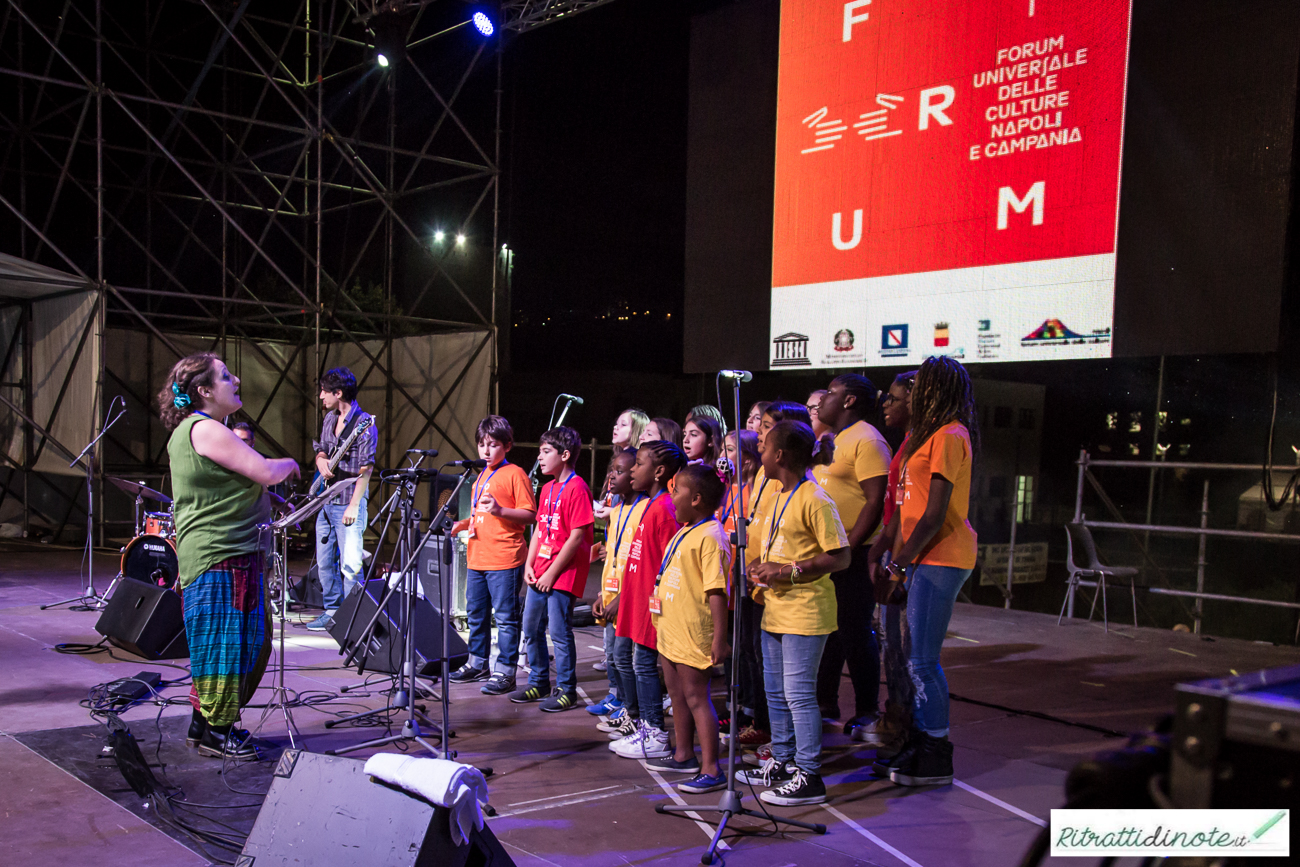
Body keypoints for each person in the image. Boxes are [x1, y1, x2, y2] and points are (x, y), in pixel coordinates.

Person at [158, 353, 299, 760]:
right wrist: (290, 464)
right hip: (222, 555)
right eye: (225, 376)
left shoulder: (198, 431)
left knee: (231, 643)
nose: (235, 379)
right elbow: (266, 470)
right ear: (204, 391)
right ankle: (217, 733)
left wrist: (264, 497)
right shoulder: (206, 429)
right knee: (235, 645)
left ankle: (203, 725)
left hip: (226, 554)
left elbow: (222, 486)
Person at [868, 356, 978, 787]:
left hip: (941, 555)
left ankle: (937, 752)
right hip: (921, 556)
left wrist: (899, 562)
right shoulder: (928, 436)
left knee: (923, 661)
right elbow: (908, 510)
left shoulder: (951, 436)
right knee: (915, 659)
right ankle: (921, 739)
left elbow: (934, 516)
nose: (916, 394)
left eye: (924, 385)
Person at [737, 420, 849, 807]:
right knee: (775, 693)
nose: (760, 453)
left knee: (799, 695)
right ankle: (782, 761)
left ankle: (809, 774)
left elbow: (841, 555)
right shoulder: (773, 493)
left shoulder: (815, 498)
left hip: (806, 611)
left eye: (764, 446)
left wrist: (786, 571)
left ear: (780, 455)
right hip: (774, 608)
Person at [814, 374, 891, 733]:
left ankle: (867, 711)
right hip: (828, 552)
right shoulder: (829, 440)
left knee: (855, 631)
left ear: (848, 401)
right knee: (830, 630)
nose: (822, 400)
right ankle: (825, 701)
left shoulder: (868, 439)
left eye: (830, 393)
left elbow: (876, 501)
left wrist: (850, 546)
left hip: (854, 553)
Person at [650, 464, 732, 794]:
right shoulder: (686, 529)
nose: (671, 496)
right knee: (677, 695)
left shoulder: (712, 536)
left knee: (698, 698)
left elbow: (717, 591)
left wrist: (720, 638)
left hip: (694, 632)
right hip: (671, 629)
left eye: (677, 490)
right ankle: (683, 754)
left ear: (696, 498)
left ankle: (711, 768)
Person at [450, 416, 537, 696]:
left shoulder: (515, 474)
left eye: (493, 445)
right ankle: (477, 663)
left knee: (505, 618)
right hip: (478, 557)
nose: (486, 450)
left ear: (507, 445)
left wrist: (500, 510)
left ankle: (506, 671)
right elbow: (480, 515)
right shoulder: (480, 477)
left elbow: (528, 514)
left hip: (504, 558)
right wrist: (461, 524)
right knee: (476, 614)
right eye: (482, 445)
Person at [611, 440, 686, 759]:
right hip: (637, 602)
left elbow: (670, 564)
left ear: (658, 471)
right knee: (634, 662)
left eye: (639, 464)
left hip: (652, 607)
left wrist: (657, 605)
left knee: (644, 666)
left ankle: (655, 732)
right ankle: (645, 725)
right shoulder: (651, 505)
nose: (633, 471)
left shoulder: (666, 509)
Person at [512, 426, 594, 712]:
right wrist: (529, 564)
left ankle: (567, 689)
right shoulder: (547, 488)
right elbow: (538, 531)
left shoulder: (577, 487)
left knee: (559, 631)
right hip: (541, 570)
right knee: (530, 626)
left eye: (546, 452)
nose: (540, 457)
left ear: (565, 454)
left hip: (562, 573)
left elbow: (576, 536)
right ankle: (538, 681)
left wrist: (551, 573)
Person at [861, 370, 918, 751]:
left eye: (893, 399)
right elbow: (897, 510)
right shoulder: (908, 443)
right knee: (893, 647)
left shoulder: (927, 443)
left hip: (912, 560)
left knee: (908, 651)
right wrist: (878, 548)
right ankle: (895, 721)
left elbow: (923, 514)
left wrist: (896, 563)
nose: (885, 404)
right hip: (896, 554)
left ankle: (906, 731)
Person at [305, 368, 378, 632]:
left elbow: (365, 470)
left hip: (348, 500)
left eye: (325, 391)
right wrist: (321, 459)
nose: (321, 395)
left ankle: (352, 619)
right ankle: (332, 611)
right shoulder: (329, 418)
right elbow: (322, 447)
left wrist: (354, 505)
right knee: (325, 562)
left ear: (339, 393)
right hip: (325, 499)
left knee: (350, 565)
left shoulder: (365, 425)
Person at [588, 448, 648, 719]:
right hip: (611, 595)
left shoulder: (644, 509)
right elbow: (613, 555)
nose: (612, 476)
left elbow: (643, 563)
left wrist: (622, 596)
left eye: (620, 471)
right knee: (613, 655)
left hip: (629, 597)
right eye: (612, 470)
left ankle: (631, 709)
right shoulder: (618, 510)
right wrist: (603, 593)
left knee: (626, 658)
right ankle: (620, 700)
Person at [722, 429, 769, 746]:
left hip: (749, 583)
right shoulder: (728, 490)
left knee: (751, 652)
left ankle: (755, 715)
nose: (722, 457)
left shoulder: (757, 494)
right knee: (733, 651)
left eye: (729, 450)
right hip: (728, 581)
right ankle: (737, 708)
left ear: (749, 458)